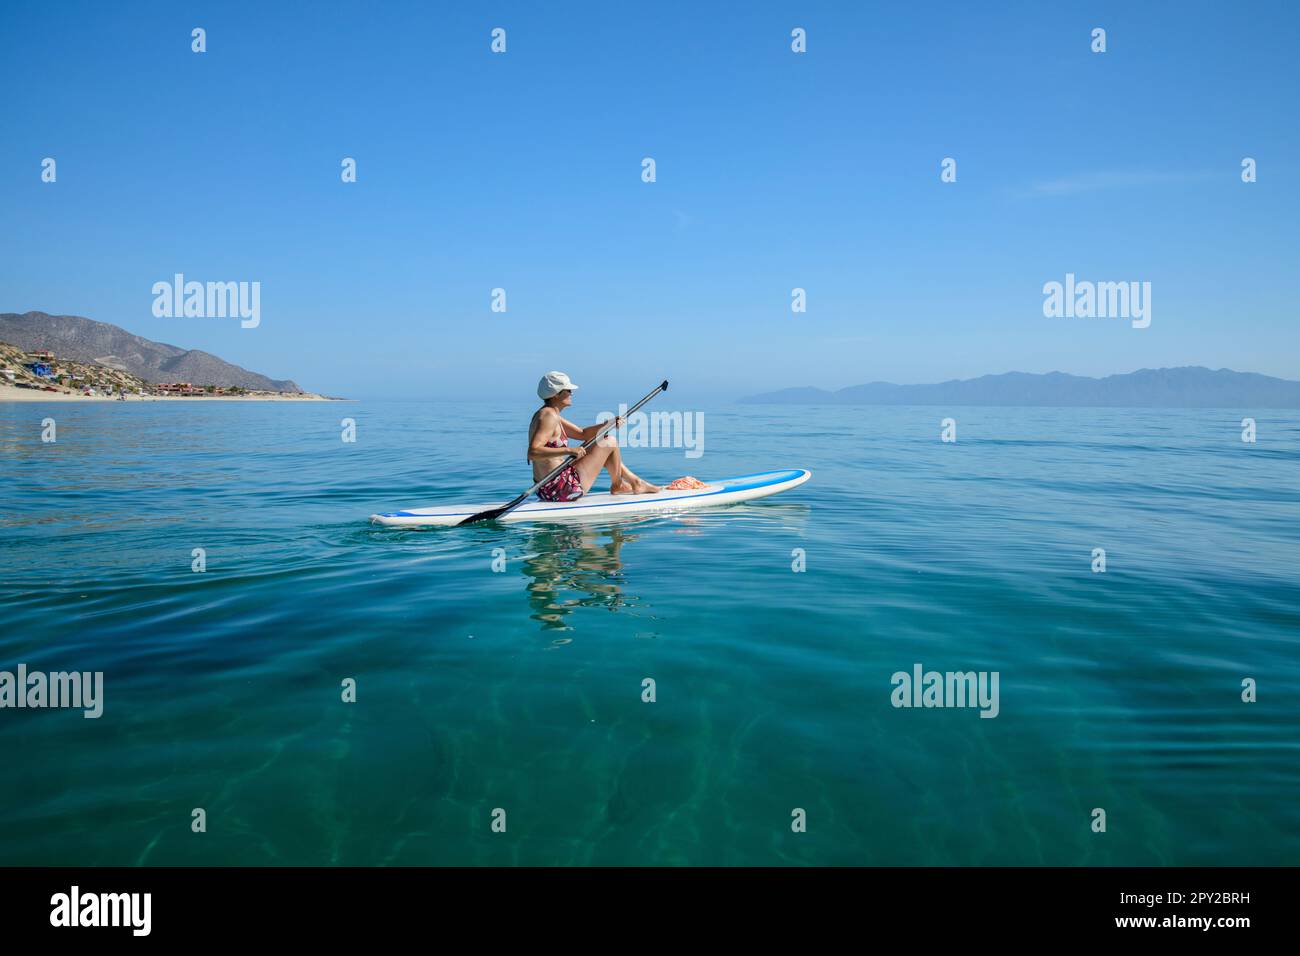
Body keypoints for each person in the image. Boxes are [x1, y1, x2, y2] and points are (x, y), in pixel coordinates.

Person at [528, 371, 661, 502]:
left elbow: (582, 433)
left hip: (546, 489)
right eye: (568, 390)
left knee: (600, 440)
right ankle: (621, 484)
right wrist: (570, 450)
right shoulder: (548, 417)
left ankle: (632, 482)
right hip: (560, 490)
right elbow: (533, 452)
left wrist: (608, 424)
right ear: (556, 394)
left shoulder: (549, 414)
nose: (571, 393)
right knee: (609, 441)